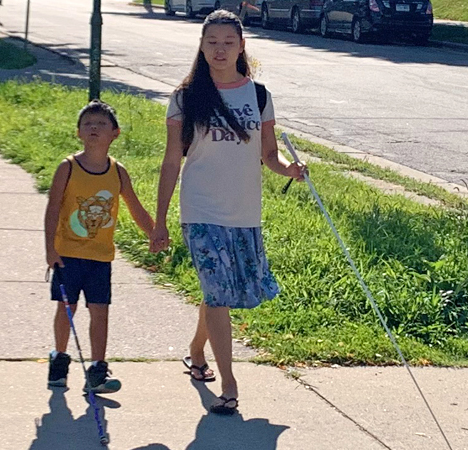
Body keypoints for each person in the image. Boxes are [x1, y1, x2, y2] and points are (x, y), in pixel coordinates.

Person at [149, 9, 307, 416]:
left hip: (243, 211)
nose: (220, 50)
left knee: (219, 293)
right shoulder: (186, 97)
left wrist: (289, 169)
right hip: (200, 208)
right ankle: (230, 386)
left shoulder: (258, 95)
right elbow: (171, 162)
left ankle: (196, 351)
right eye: (211, 42)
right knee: (218, 292)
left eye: (228, 42)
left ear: (241, 46)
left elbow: (267, 155)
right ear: (201, 47)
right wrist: (159, 220)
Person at [44, 100, 154, 394]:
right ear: (78, 132)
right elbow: (53, 209)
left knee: (100, 311)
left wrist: (155, 233)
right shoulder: (67, 168)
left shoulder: (118, 172)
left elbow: (135, 207)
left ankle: (98, 369)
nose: (94, 128)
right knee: (67, 307)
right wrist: (50, 249)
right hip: (67, 254)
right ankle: (59, 360)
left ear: (115, 133)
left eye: (101, 124)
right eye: (88, 123)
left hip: (100, 257)